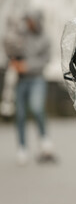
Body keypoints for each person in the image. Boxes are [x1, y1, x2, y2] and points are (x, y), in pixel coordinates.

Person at [3, 11, 55, 165]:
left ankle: (45, 141)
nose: (29, 23)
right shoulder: (21, 34)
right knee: (20, 114)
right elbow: (9, 47)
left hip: (37, 79)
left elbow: (45, 61)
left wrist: (26, 66)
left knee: (37, 108)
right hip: (20, 80)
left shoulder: (45, 39)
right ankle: (22, 147)